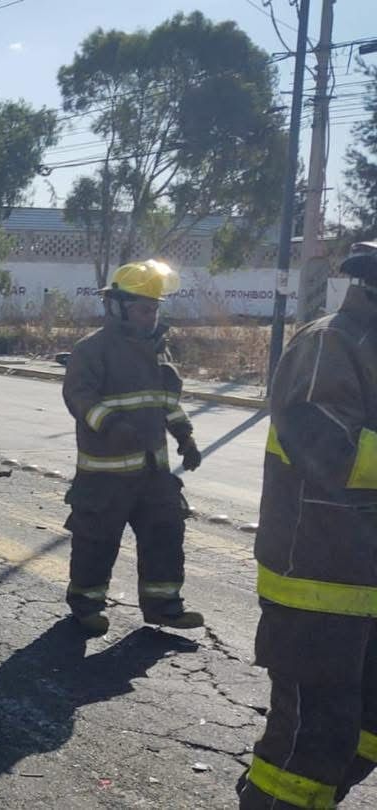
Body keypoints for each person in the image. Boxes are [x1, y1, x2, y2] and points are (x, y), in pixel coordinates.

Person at [238, 243, 377, 809]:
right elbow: (329, 449)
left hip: (366, 583)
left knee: (364, 725)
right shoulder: (330, 344)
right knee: (310, 742)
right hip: (320, 580)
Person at [61, 259, 204, 635]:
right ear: (118, 307)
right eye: (144, 308)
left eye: (155, 308)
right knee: (96, 543)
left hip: (153, 473)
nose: (151, 316)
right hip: (104, 475)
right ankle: (86, 606)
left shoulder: (157, 351)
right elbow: (79, 397)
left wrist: (185, 437)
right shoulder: (92, 350)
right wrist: (111, 425)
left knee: (166, 535)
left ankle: (164, 606)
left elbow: (167, 402)